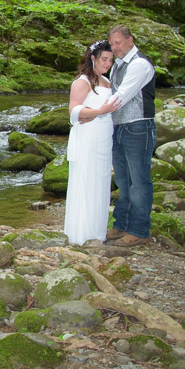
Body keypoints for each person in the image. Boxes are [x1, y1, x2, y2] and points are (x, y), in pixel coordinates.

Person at [63, 40, 120, 244]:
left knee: (101, 182)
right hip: (87, 138)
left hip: (103, 138)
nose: (108, 63)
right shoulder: (83, 81)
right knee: (86, 181)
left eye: (111, 60)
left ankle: (98, 233)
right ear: (93, 58)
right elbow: (74, 111)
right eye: (104, 59)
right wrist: (98, 112)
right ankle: (81, 234)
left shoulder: (106, 81)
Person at [106, 24, 157, 247]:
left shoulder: (139, 65)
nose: (114, 48)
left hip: (138, 128)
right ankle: (121, 225)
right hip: (119, 127)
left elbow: (122, 96)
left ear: (130, 41)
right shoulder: (117, 65)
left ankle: (139, 231)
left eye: (118, 43)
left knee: (139, 182)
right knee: (123, 181)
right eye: (111, 44)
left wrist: (90, 114)